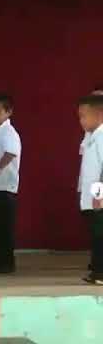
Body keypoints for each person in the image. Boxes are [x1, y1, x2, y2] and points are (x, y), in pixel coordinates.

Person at [0, 94, 22, 273]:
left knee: (4, 227)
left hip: (5, 187)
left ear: (8, 112)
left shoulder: (9, 132)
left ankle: (7, 262)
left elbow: (11, 153)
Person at [78, 94, 103, 285]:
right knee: (96, 235)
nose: (81, 121)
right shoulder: (92, 137)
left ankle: (100, 272)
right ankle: (96, 271)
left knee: (100, 235)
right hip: (91, 196)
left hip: (99, 197)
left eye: (84, 116)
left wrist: (99, 195)